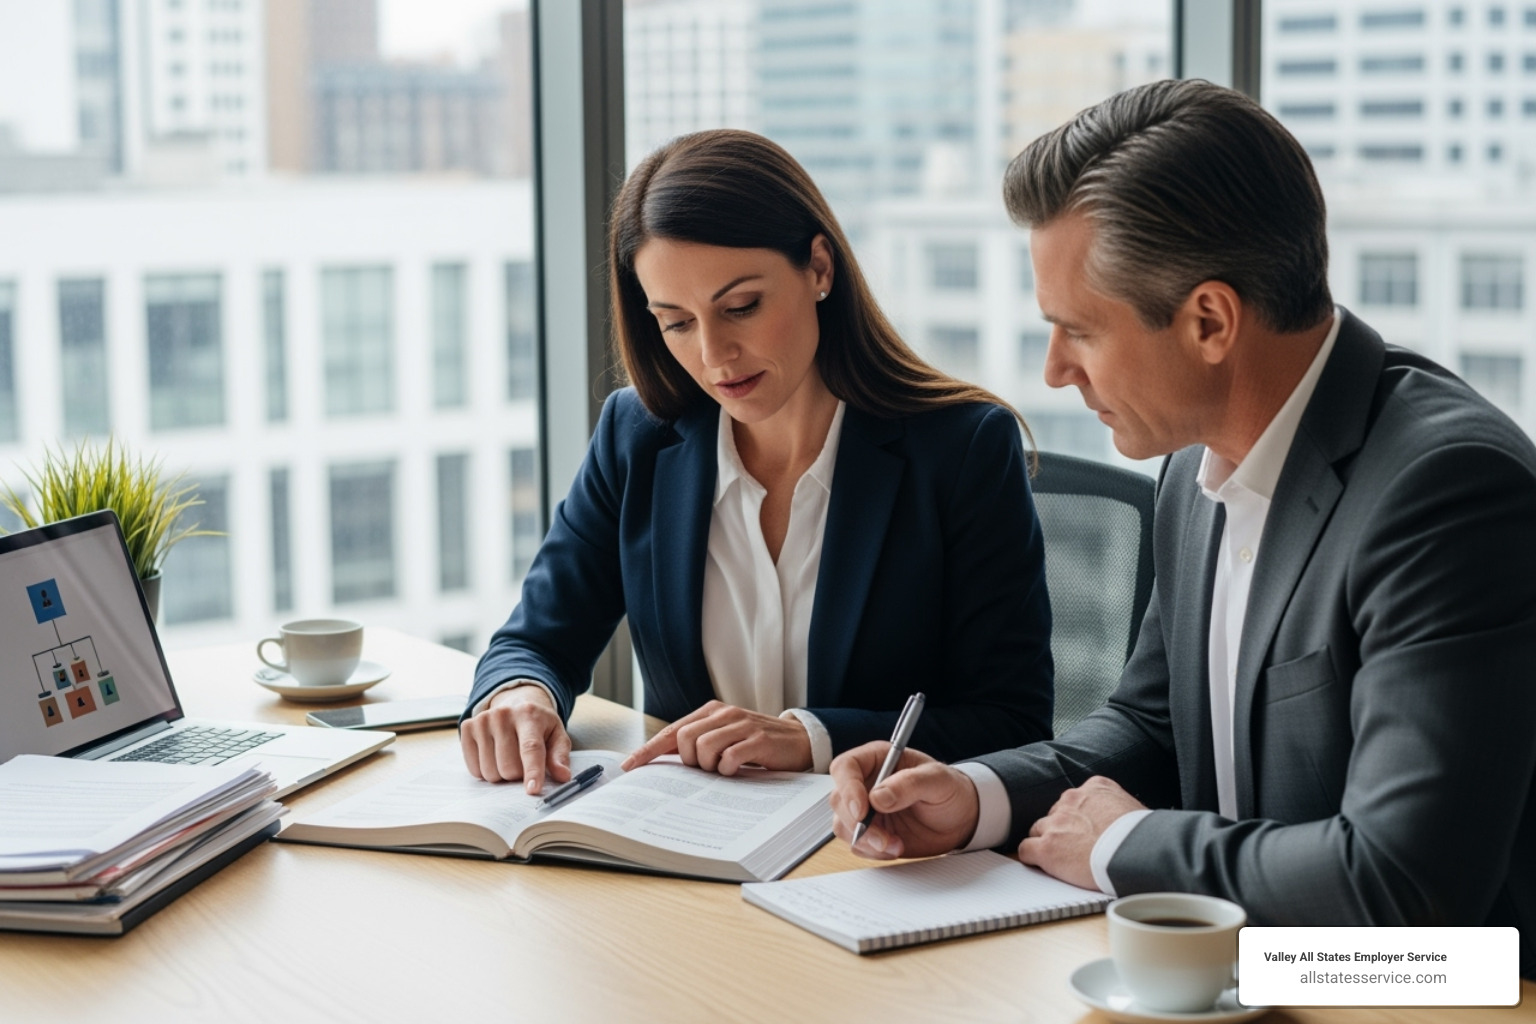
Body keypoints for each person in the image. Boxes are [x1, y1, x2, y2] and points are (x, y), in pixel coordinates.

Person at [829, 79, 1536, 978]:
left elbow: (1402, 888)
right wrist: (977, 796)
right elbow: (1154, 726)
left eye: (1076, 331)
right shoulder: (1193, 465)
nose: (1053, 373)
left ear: (1209, 320)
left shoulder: (1446, 491)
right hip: (1233, 971)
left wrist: (1125, 845)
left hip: (1423, 990)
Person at [460, 129, 1054, 795]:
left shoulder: (964, 449)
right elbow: (536, 639)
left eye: (740, 307)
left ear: (820, 268)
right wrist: (520, 692)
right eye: (676, 322)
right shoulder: (638, 437)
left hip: (878, 853)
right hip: (693, 844)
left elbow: (1013, 723)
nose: (715, 356)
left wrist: (811, 738)